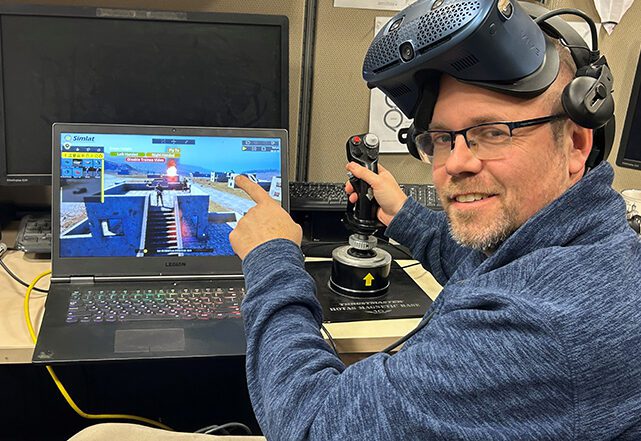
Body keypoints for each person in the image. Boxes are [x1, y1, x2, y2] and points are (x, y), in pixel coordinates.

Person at [227, 6, 641, 441]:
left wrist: (270, 256)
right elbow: (490, 264)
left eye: (493, 131)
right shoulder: (585, 248)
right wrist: (404, 216)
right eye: (443, 138)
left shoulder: (539, 327)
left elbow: (311, 424)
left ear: (576, 143)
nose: (455, 164)